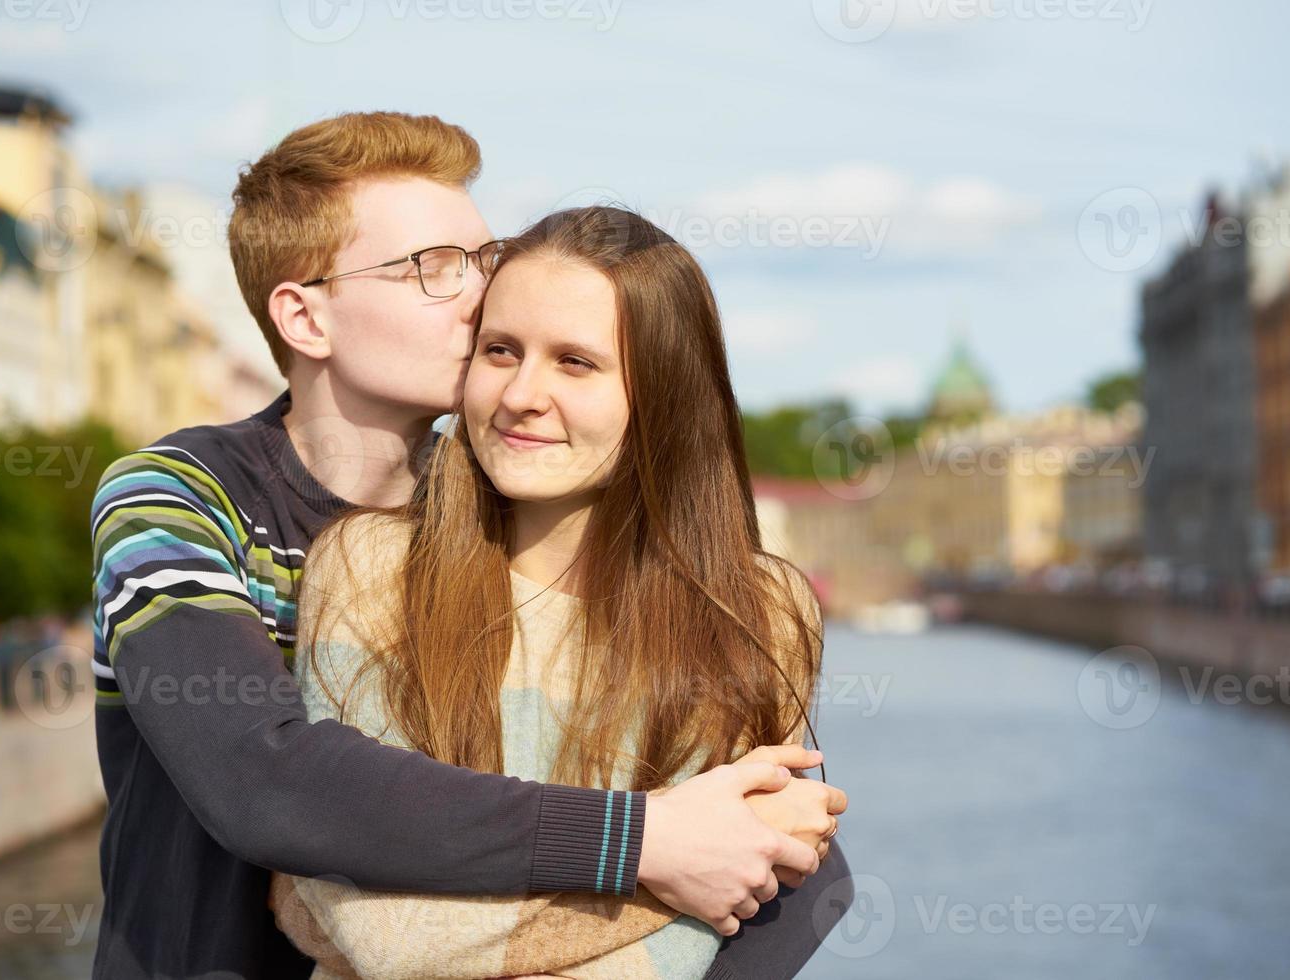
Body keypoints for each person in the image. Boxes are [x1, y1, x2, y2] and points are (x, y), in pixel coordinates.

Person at [89, 111, 851, 979]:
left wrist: (713, 851)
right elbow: (267, 782)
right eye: (433, 269)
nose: (480, 291)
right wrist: (644, 839)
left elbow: (783, 863)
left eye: (483, 260)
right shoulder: (176, 498)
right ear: (306, 318)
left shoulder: (516, 513)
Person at [269, 205, 841, 979]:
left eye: (576, 363)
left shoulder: (757, 610)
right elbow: (386, 935)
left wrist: (716, 870)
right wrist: (674, 866)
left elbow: (698, 940)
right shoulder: (372, 569)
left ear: (663, 395)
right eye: (500, 351)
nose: (520, 395)